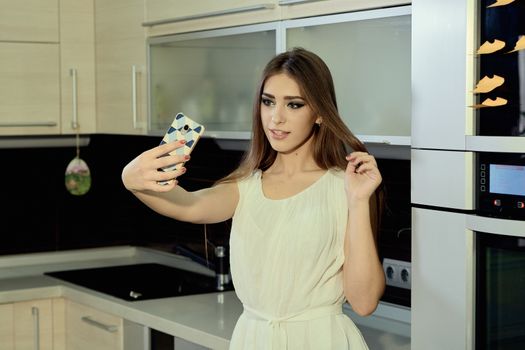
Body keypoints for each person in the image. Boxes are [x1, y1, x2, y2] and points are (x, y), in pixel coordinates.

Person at [122, 47, 385, 350]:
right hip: (254, 339)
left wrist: (359, 201)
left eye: (294, 104)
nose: (276, 118)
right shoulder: (244, 187)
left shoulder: (346, 187)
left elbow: (364, 302)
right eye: (268, 101)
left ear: (320, 113)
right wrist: (133, 180)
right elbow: (188, 206)